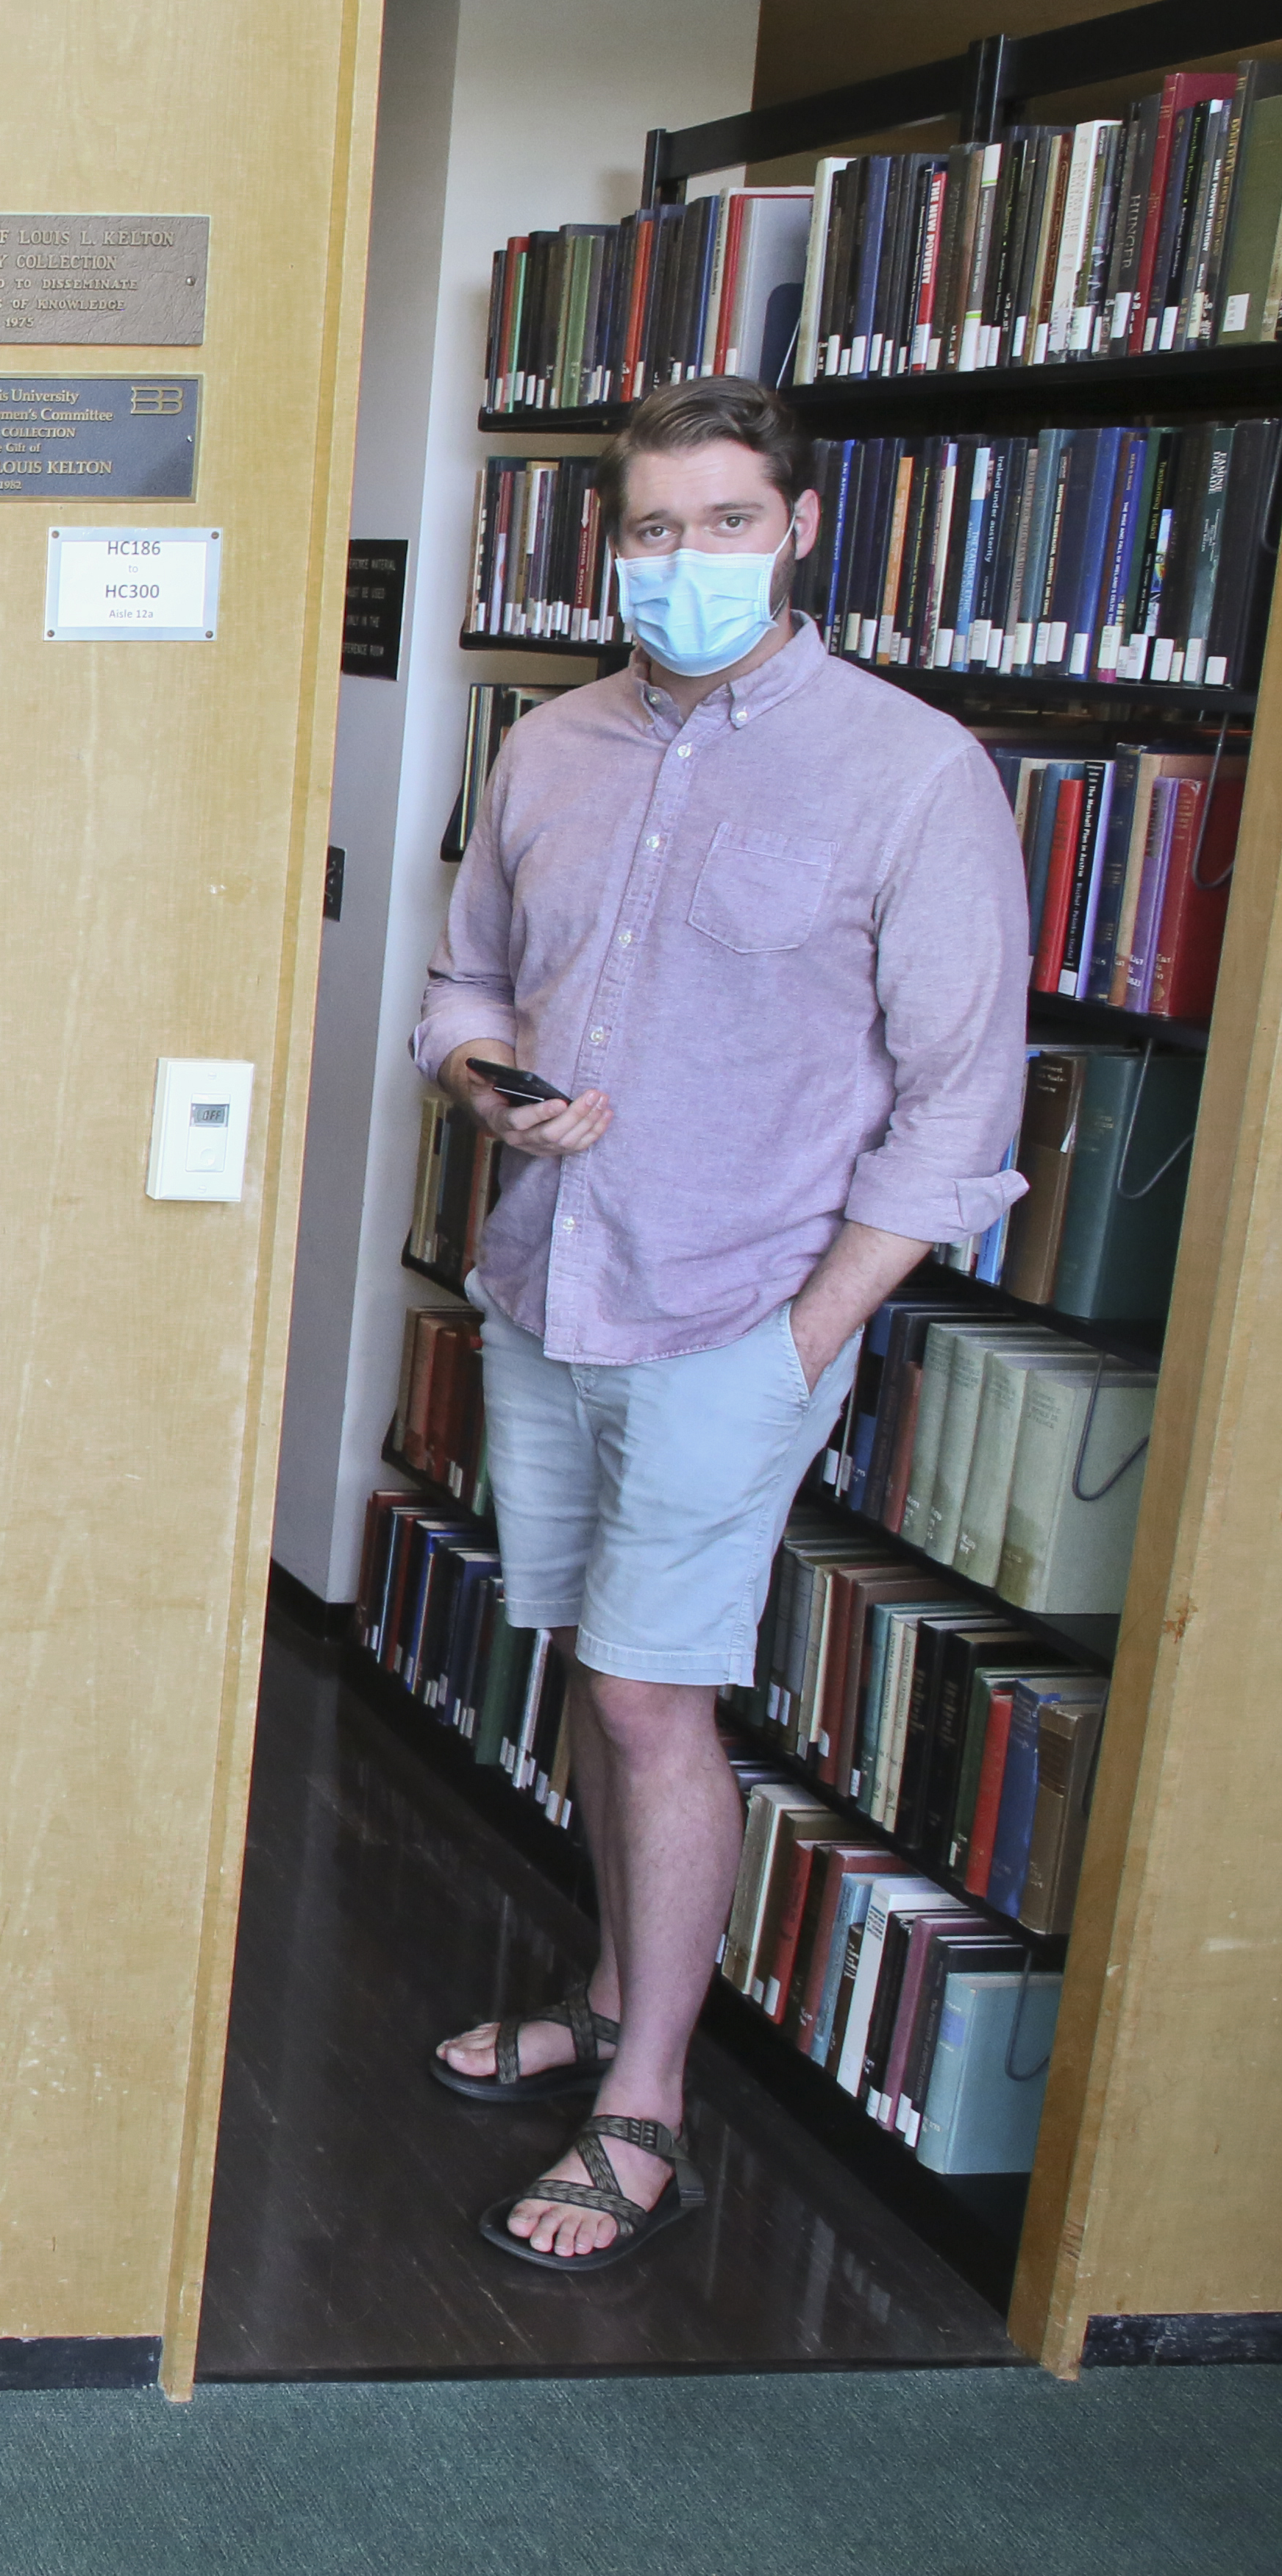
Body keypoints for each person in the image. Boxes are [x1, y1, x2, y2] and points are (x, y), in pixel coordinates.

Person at [412, 377, 1029, 2269]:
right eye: (654, 530)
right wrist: (496, 1089)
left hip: (732, 1312)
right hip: (549, 1283)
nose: (684, 562)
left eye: (726, 524)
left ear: (800, 530)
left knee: (649, 1698)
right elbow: (463, 989)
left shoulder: (910, 772)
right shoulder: (553, 749)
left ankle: (645, 2106)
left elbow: (959, 1109)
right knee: (596, 1674)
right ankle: (609, 1999)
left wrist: (808, 1334)